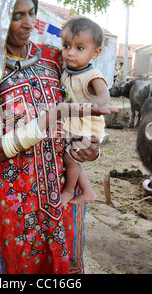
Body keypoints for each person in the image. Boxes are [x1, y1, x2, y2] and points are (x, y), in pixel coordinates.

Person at [0, 0, 112, 274]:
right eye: (16, 16)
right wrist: (49, 118)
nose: (28, 23)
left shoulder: (53, 60)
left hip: (60, 193)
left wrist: (90, 149)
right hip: (14, 203)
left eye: (32, 13)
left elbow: (81, 110)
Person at [59, 17, 113, 207]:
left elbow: (104, 95)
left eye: (79, 48)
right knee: (71, 155)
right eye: (66, 46)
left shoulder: (92, 76)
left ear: (95, 53)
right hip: (73, 126)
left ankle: (68, 190)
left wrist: (93, 105)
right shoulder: (66, 71)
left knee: (69, 157)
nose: (70, 53)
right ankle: (88, 190)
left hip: (88, 128)